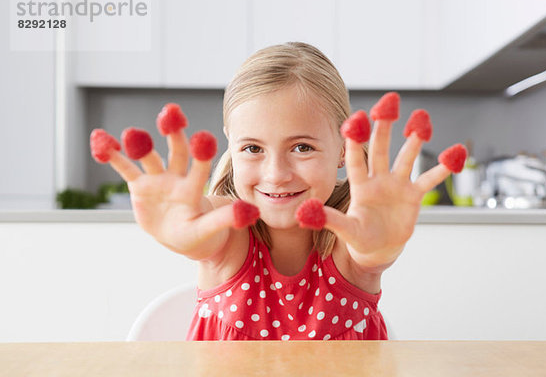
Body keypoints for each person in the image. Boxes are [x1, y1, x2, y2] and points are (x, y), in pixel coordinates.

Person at [96, 42, 457, 340]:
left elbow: (372, 250)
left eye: (302, 147)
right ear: (231, 146)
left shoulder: (351, 248)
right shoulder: (229, 237)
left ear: (343, 149)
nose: (276, 174)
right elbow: (202, 230)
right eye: (253, 148)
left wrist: (384, 243)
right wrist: (178, 229)